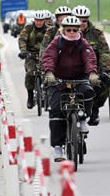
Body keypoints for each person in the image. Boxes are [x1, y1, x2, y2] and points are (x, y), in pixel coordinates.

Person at [41, 16, 100, 162]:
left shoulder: (83, 43)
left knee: (88, 91)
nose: (72, 32)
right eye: (69, 30)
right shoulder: (57, 42)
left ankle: (83, 117)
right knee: (56, 111)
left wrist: (92, 73)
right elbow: (48, 57)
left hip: (79, 78)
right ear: (63, 30)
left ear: (79, 30)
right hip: (59, 80)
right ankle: (58, 148)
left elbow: (90, 58)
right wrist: (49, 73)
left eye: (75, 29)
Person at [72, 5, 110, 126]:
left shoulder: (96, 33)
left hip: (92, 70)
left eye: (84, 20)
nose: (81, 23)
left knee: (106, 82)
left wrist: (104, 69)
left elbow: (104, 52)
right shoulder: (65, 32)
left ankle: (94, 109)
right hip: (70, 70)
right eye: (78, 19)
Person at [18, 10, 47, 109]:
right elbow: (22, 39)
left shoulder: (49, 30)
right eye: (37, 20)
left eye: (41, 20)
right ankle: (30, 97)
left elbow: (54, 41)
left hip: (45, 55)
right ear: (34, 20)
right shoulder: (29, 28)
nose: (39, 22)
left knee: (49, 74)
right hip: (31, 55)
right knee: (30, 73)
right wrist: (23, 51)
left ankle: (46, 95)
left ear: (44, 21)